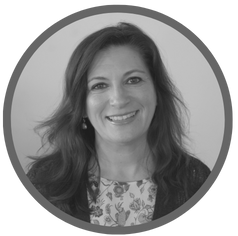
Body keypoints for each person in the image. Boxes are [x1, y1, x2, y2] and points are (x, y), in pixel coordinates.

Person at [26, 22, 211, 226]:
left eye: (133, 80)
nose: (119, 99)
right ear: (81, 104)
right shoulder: (44, 183)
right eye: (99, 85)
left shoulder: (196, 182)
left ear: (157, 93)